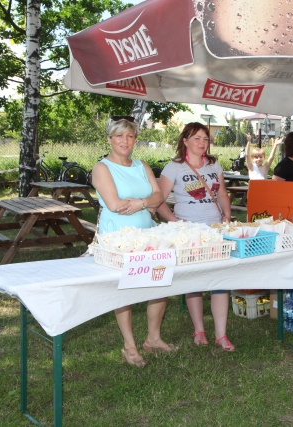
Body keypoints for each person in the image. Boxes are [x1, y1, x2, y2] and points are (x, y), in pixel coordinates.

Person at [91, 115, 174, 368]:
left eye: (130, 136)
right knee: (125, 290)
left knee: (159, 283)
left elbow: (159, 196)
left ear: (135, 139)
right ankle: (129, 345)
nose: (125, 141)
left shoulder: (142, 165)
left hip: (149, 235)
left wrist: (142, 203)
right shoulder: (102, 168)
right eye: (119, 136)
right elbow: (114, 204)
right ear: (109, 139)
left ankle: (153, 338)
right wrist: (145, 203)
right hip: (119, 238)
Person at [156, 122, 235, 351]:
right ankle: (199, 330)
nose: (202, 143)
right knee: (195, 282)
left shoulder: (213, 164)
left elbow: (222, 193)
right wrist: (173, 220)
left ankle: (221, 334)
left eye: (205, 138)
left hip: (215, 230)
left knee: (220, 281)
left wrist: (227, 215)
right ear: (185, 141)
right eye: (197, 138)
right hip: (189, 234)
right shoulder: (174, 167)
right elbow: (158, 200)